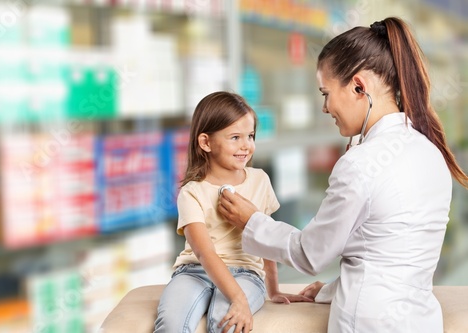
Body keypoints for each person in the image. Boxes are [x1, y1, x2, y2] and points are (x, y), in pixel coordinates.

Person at [218, 17, 468, 333]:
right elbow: (388, 255)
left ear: (359, 86)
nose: (325, 107)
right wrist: (328, 290)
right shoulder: (431, 153)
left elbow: (310, 253)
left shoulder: (361, 163)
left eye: (326, 93)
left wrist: (251, 220)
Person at [154, 91, 309, 333]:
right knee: (170, 325)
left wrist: (273, 289)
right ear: (205, 142)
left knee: (225, 322)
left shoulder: (260, 180)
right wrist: (238, 297)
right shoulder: (192, 192)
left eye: (250, 136)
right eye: (235, 137)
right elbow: (204, 253)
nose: (246, 145)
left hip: (246, 273)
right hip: (195, 271)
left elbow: (266, 237)